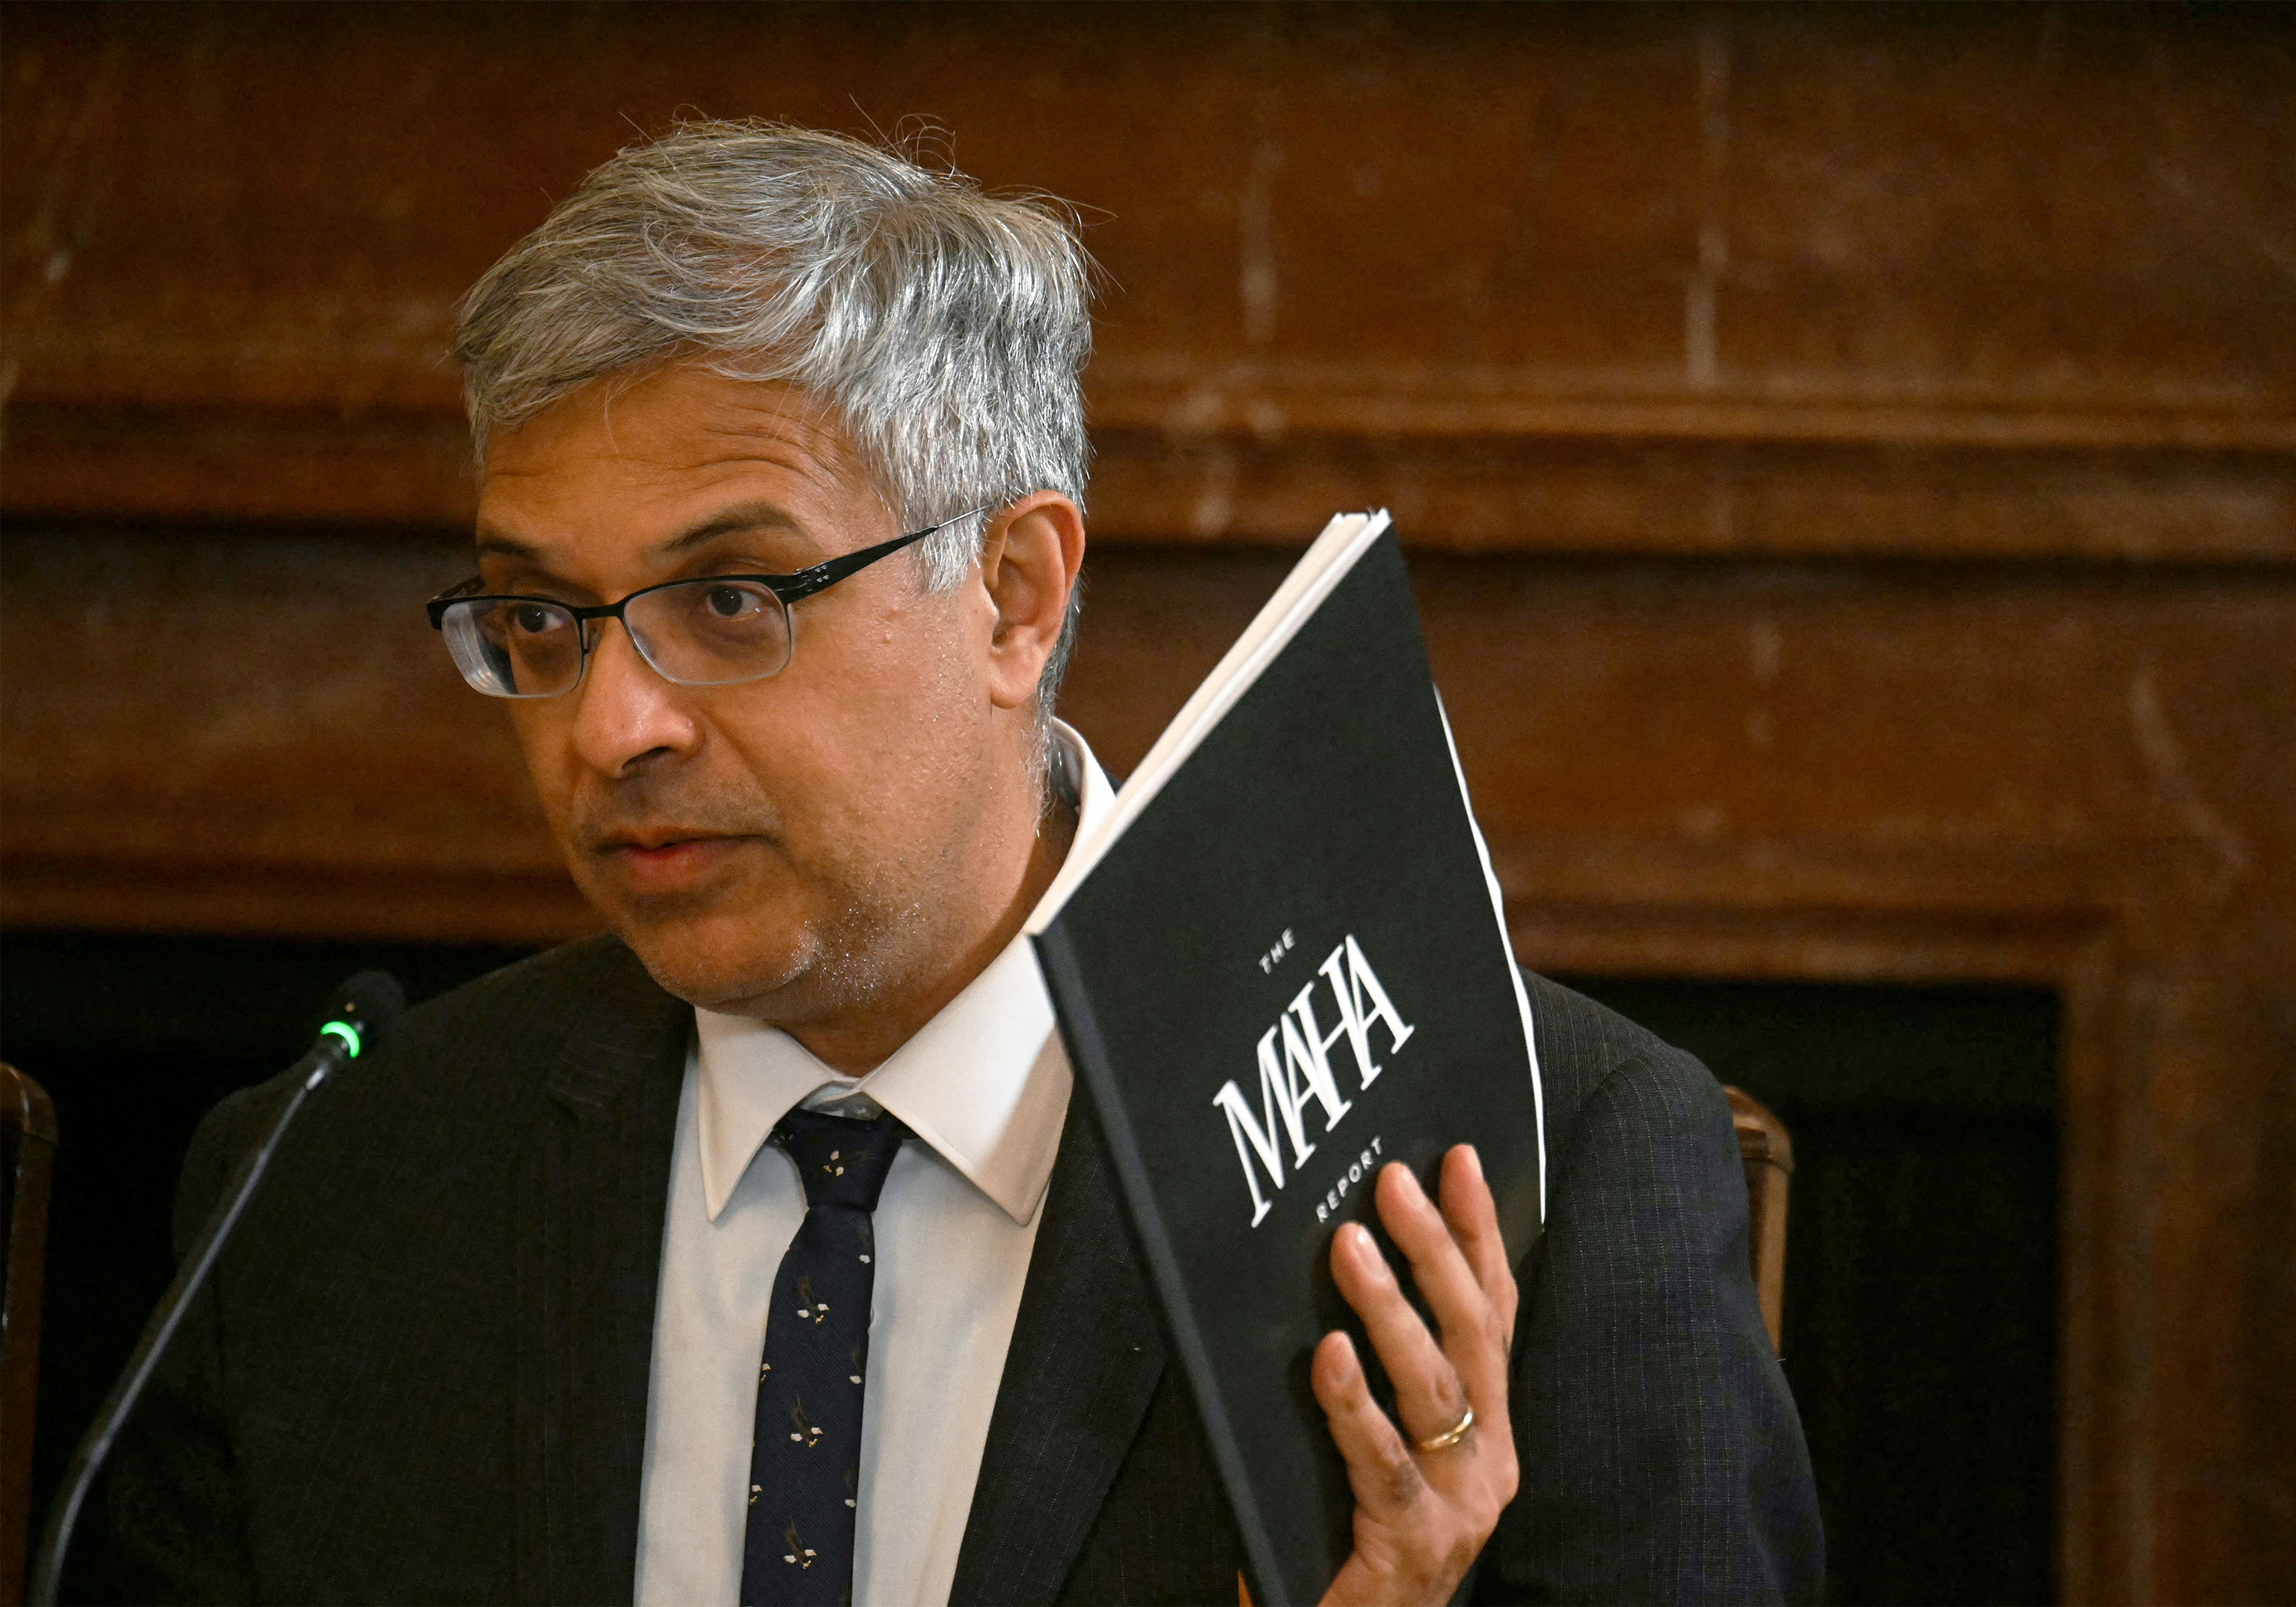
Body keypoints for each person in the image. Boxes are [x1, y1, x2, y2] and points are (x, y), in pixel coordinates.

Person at [99, 120, 1820, 1605]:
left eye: (732, 600)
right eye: (544, 618)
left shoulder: (1538, 1160)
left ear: (1014, 594)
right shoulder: (328, 1188)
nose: (612, 724)